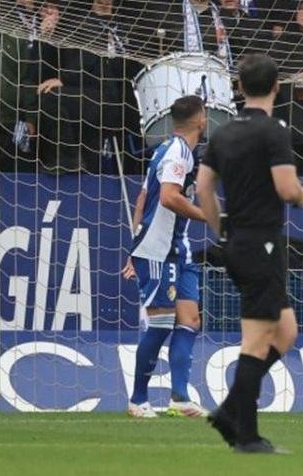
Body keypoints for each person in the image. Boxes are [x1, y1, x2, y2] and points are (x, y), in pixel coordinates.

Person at [198, 53, 303, 454]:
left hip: (239, 241)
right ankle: (245, 434)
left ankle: (230, 407)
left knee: (286, 331)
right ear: (277, 86)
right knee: (257, 340)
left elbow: (203, 188)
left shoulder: (223, 132)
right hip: (261, 242)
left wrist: (220, 229)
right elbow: (286, 188)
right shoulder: (275, 131)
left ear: (239, 88)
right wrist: (300, 193)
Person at [124, 95, 208, 420]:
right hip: (159, 249)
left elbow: (144, 197)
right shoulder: (176, 152)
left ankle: (180, 397)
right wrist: (208, 216)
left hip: (178, 248)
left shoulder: (174, 150)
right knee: (160, 324)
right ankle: (138, 399)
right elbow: (170, 197)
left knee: (189, 320)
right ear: (201, 119)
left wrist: (134, 242)